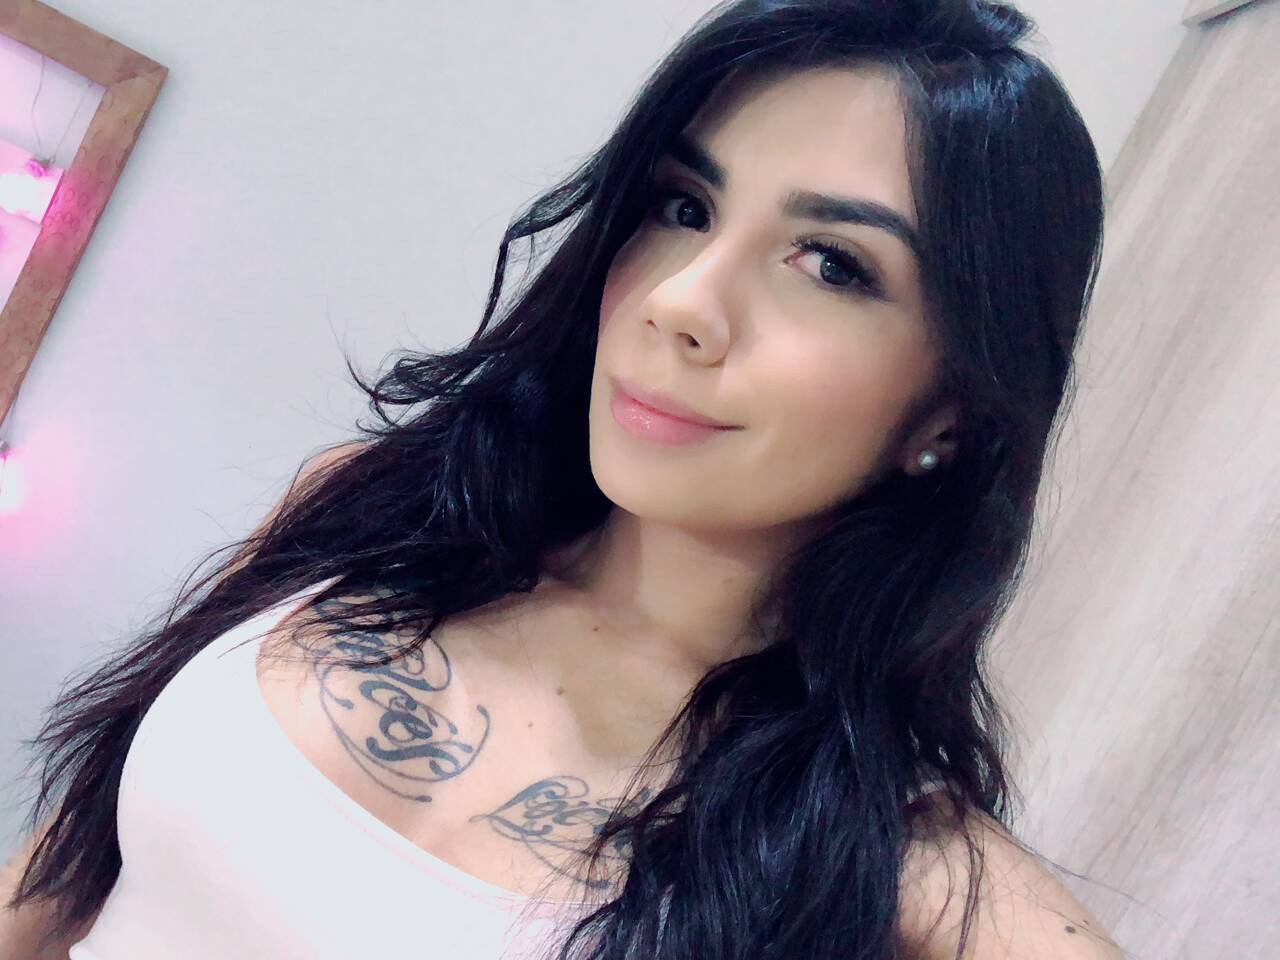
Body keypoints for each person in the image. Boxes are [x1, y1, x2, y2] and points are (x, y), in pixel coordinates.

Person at [3, 0, 1126, 957]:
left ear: (950, 409)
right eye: (683, 207)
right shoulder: (362, 511)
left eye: (830, 263)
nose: (679, 301)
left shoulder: (892, 861)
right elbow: (54, 886)